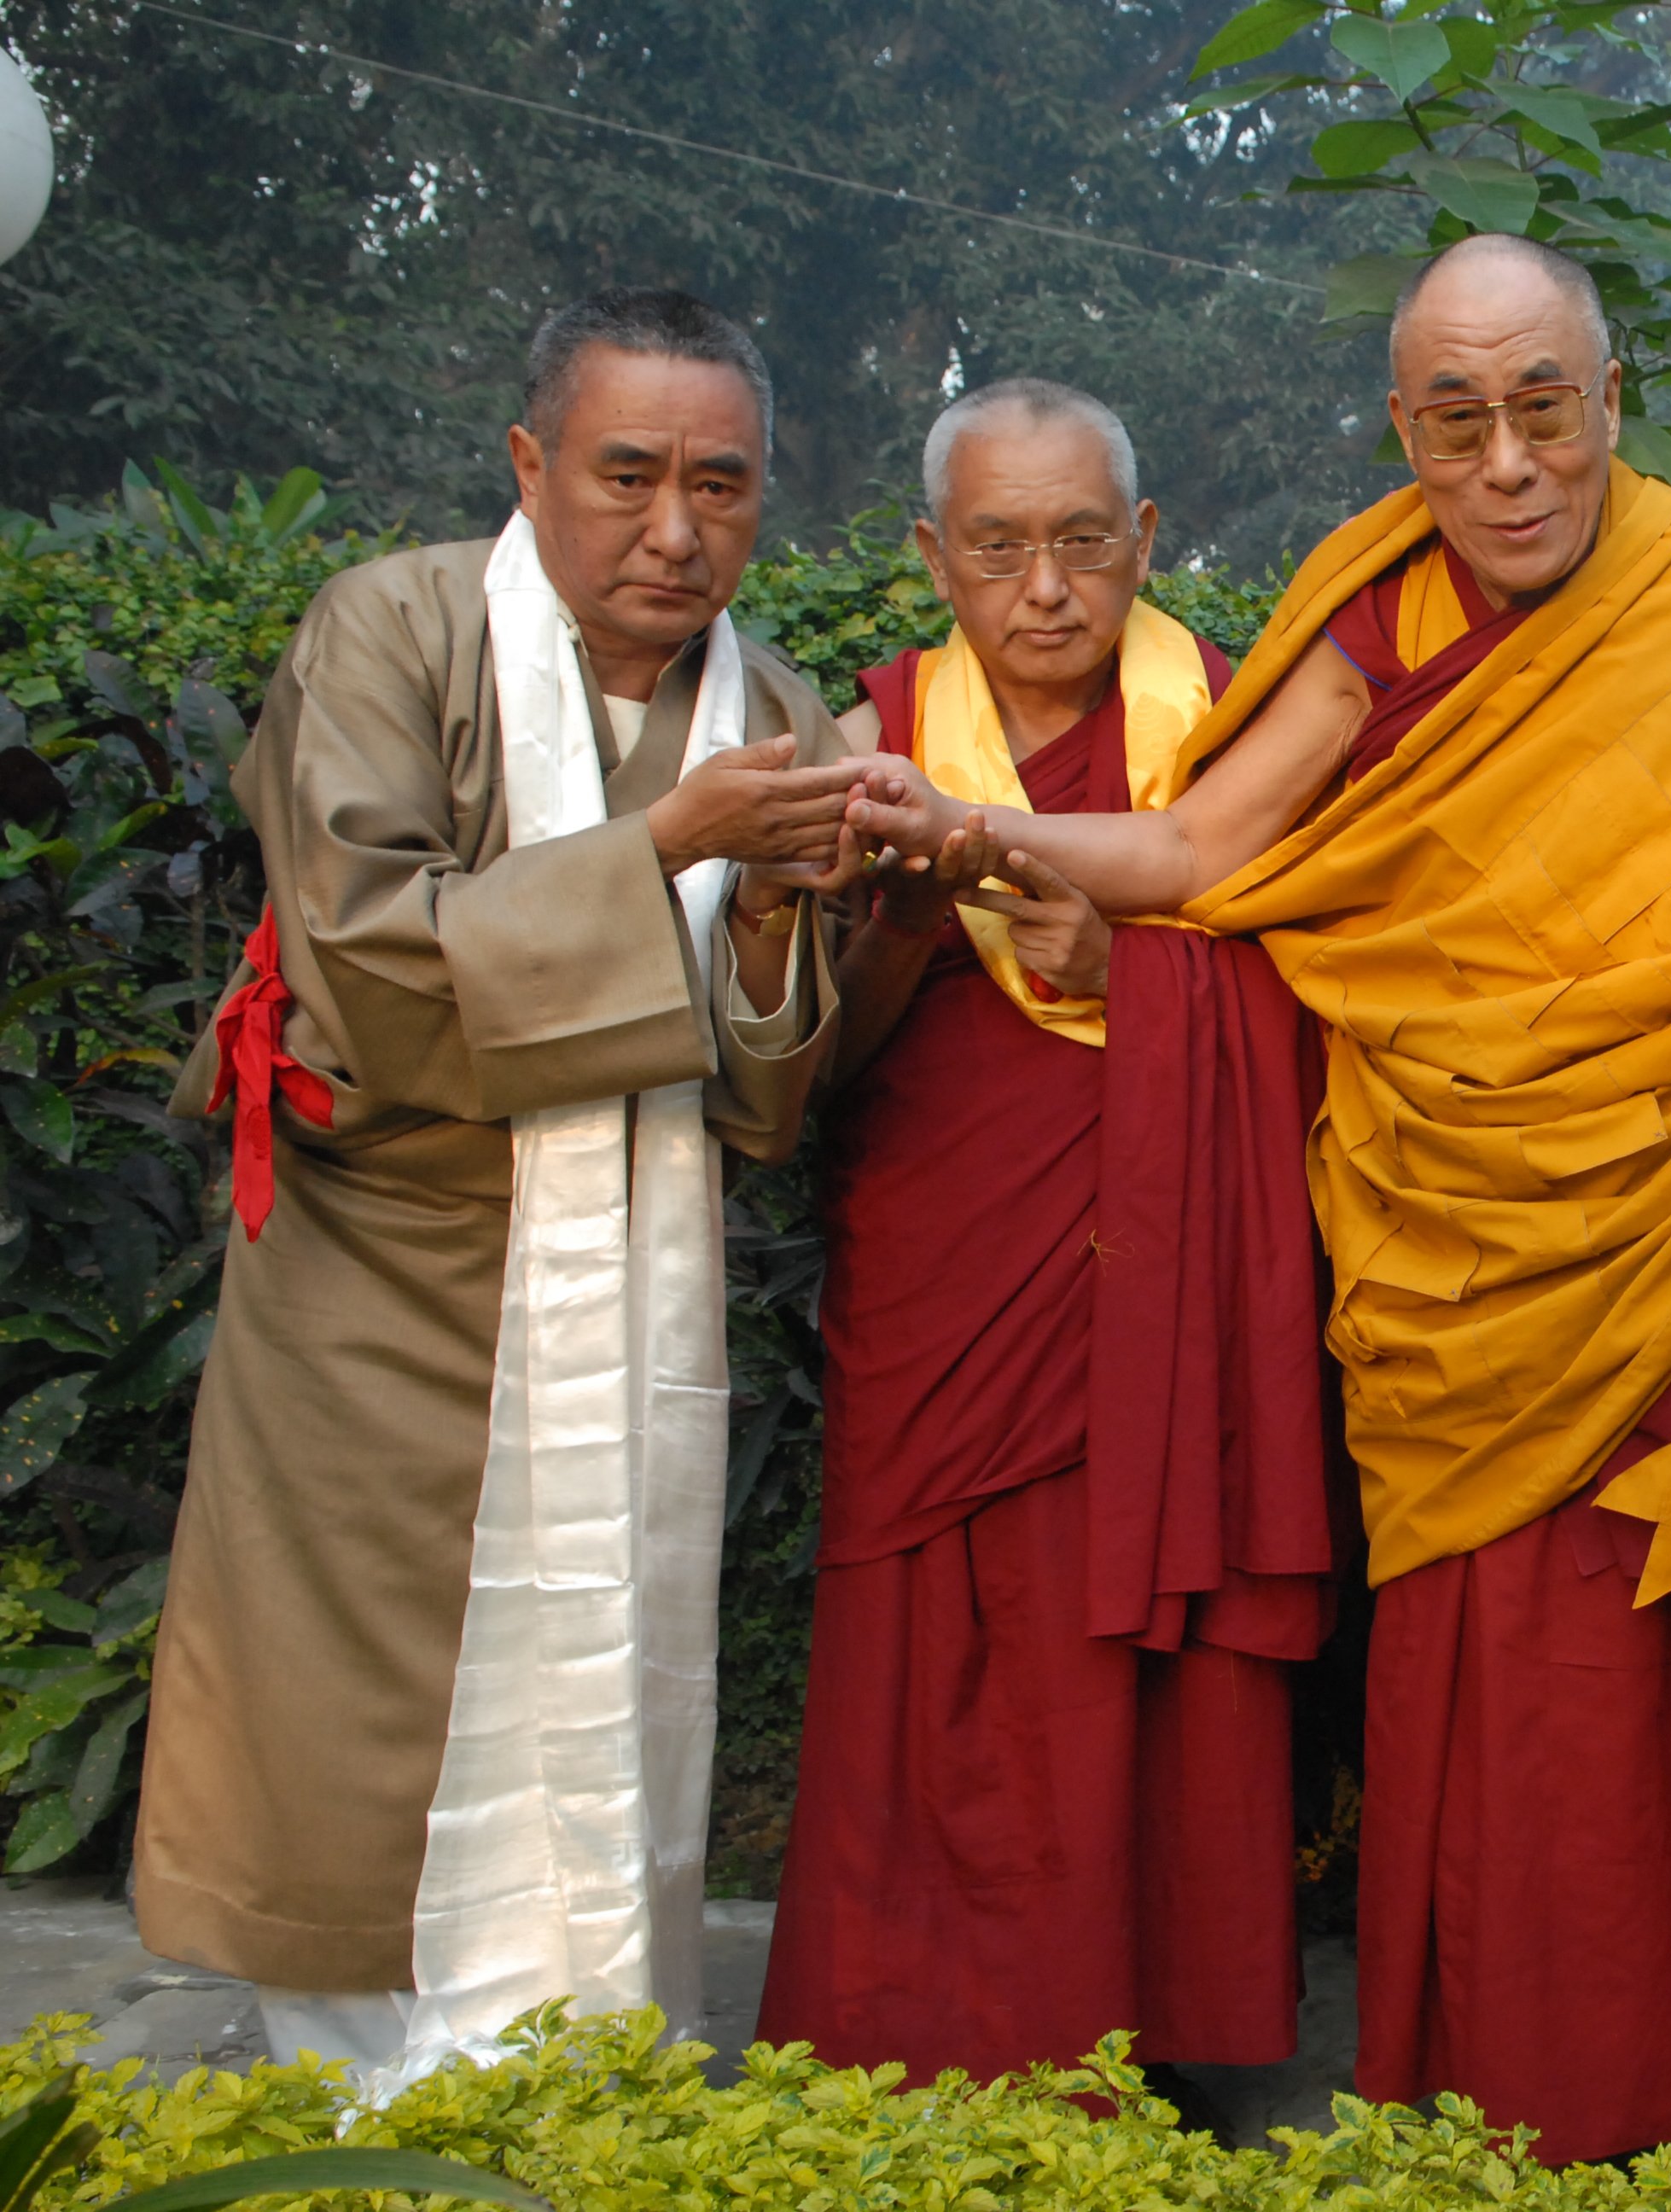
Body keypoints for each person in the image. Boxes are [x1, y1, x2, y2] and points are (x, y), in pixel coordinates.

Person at [845, 233, 1671, 2161]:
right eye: (1458, 423)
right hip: (1469, 1251)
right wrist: (976, 825)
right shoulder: (1374, 614)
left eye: (1546, 411)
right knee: (1511, 1708)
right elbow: (1207, 846)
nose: (1512, 466)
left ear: (1610, 403)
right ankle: (1505, 2121)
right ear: (1404, 430)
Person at [133, 288, 869, 2077]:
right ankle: (348, 2075)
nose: (675, 531)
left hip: (633, 1289)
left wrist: (773, 921)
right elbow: (369, 968)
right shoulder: (388, 630)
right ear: (529, 465)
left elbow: (771, 1098)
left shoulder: (772, 705)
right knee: (353, 1703)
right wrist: (668, 852)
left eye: (722, 485)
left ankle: (582, 2060)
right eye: (626, 475)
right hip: (377, 1286)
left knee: (609, 1678)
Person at [752, 381, 1331, 2087]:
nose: (1049, 589)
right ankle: (907, 2025)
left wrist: (1143, 973)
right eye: (998, 548)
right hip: (943, 1280)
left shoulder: (1232, 734)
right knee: (933, 1638)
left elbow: (1357, 1002)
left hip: (1170, 1300)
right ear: (932, 556)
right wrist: (900, 934)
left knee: (1144, 1648)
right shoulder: (866, 742)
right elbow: (799, 1073)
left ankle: (1162, 2031)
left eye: (1085, 542)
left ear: (1147, 543)